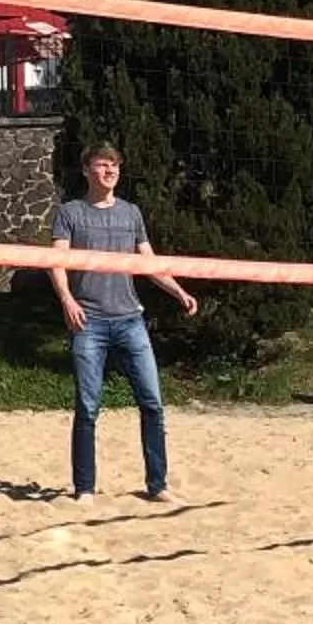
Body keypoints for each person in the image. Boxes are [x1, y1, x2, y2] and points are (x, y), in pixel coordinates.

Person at [50, 144, 196, 502]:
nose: (110, 170)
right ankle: (85, 488)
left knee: (153, 403)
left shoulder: (131, 213)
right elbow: (56, 261)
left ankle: (158, 485)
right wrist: (67, 299)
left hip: (130, 319)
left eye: (114, 164)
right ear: (87, 170)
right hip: (89, 321)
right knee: (88, 407)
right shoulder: (70, 212)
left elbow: (149, 263)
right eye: (102, 165)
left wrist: (179, 291)